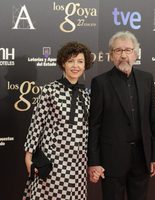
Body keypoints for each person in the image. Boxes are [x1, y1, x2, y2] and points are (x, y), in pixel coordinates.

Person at [88, 31, 155, 200]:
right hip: (111, 161)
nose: (123, 55)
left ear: (136, 54)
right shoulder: (100, 83)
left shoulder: (147, 79)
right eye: (118, 50)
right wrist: (94, 161)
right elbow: (94, 125)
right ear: (110, 55)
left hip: (142, 159)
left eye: (128, 50)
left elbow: (154, 121)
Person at [22, 41, 93, 200]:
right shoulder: (50, 90)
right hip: (52, 160)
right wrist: (28, 156)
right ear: (63, 64)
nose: (76, 66)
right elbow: (36, 124)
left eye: (80, 61)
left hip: (78, 164)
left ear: (85, 65)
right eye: (71, 61)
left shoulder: (86, 95)